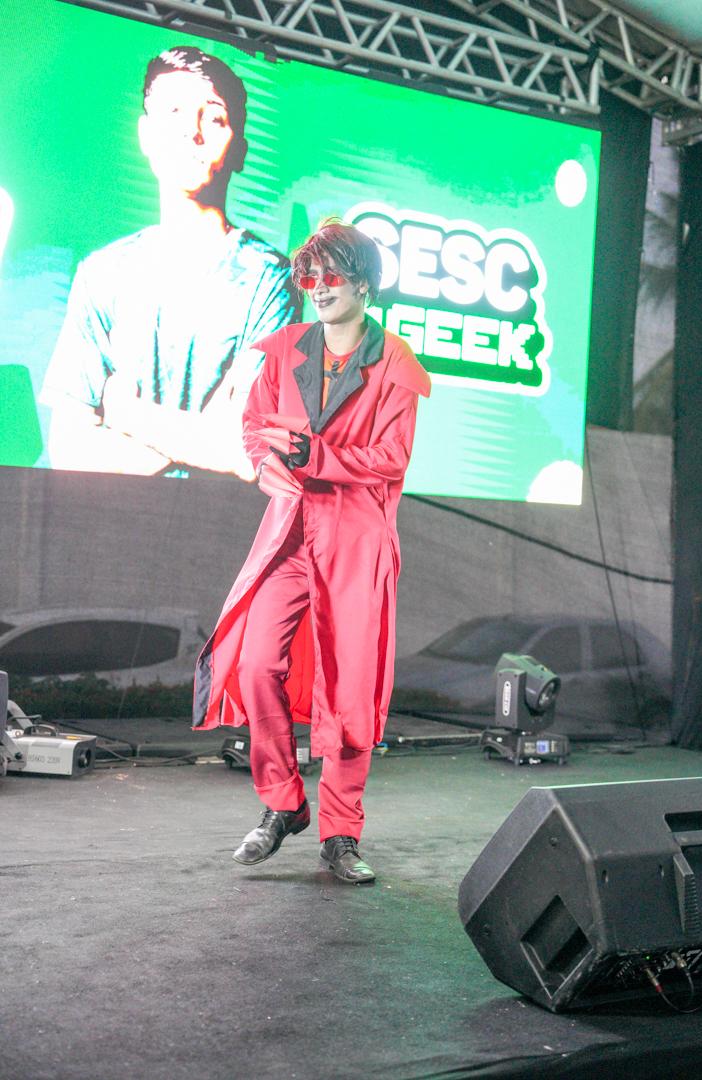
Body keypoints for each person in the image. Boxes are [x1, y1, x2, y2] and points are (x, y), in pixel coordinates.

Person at [192, 220, 431, 883]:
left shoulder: (396, 364)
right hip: (291, 534)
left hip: (356, 541)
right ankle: (283, 802)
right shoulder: (286, 349)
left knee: (350, 693)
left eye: (333, 276)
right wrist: (263, 462)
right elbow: (253, 423)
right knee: (255, 664)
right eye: (311, 277)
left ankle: (341, 834)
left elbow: (392, 458)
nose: (319, 288)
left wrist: (316, 454)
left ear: (364, 285)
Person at [41, 46, 300, 478]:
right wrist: (200, 442)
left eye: (214, 118)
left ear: (239, 150)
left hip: (220, 519)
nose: (191, 133)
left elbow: (248, 450)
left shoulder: (270, 280)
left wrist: (126, 414)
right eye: (174, 112)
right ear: (145, 134)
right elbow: (68, 446)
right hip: (108, 517)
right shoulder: (102, 274)